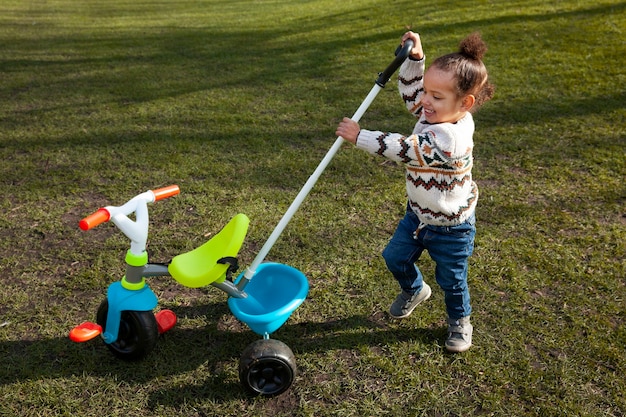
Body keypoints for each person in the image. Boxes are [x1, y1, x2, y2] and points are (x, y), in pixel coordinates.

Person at [335, 31, 494, 352]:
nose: (425, 102)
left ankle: (459, 321)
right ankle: (414, 289)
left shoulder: (450, 139)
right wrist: (415, 60)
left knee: (451, 281)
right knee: (394, 258)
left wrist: (360, 136)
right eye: (427, 92)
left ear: (465, 103)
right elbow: (412, 95)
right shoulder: (436, 110)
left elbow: (405, 148)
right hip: (418, 216)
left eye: (436, 97)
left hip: (452, 227)